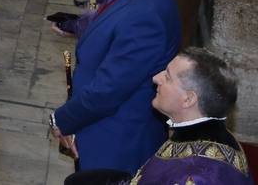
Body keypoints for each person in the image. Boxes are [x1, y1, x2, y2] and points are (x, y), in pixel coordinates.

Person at [50, 0, 181, 174]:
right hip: (100, 128)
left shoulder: (147, 12)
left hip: (116, 144)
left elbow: (109, 89)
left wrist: (62, 119)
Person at [65, 48, 250, 185]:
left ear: (188, 99)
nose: (156, 78)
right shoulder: (200, 132)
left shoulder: (199, 176)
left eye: (167, 77)